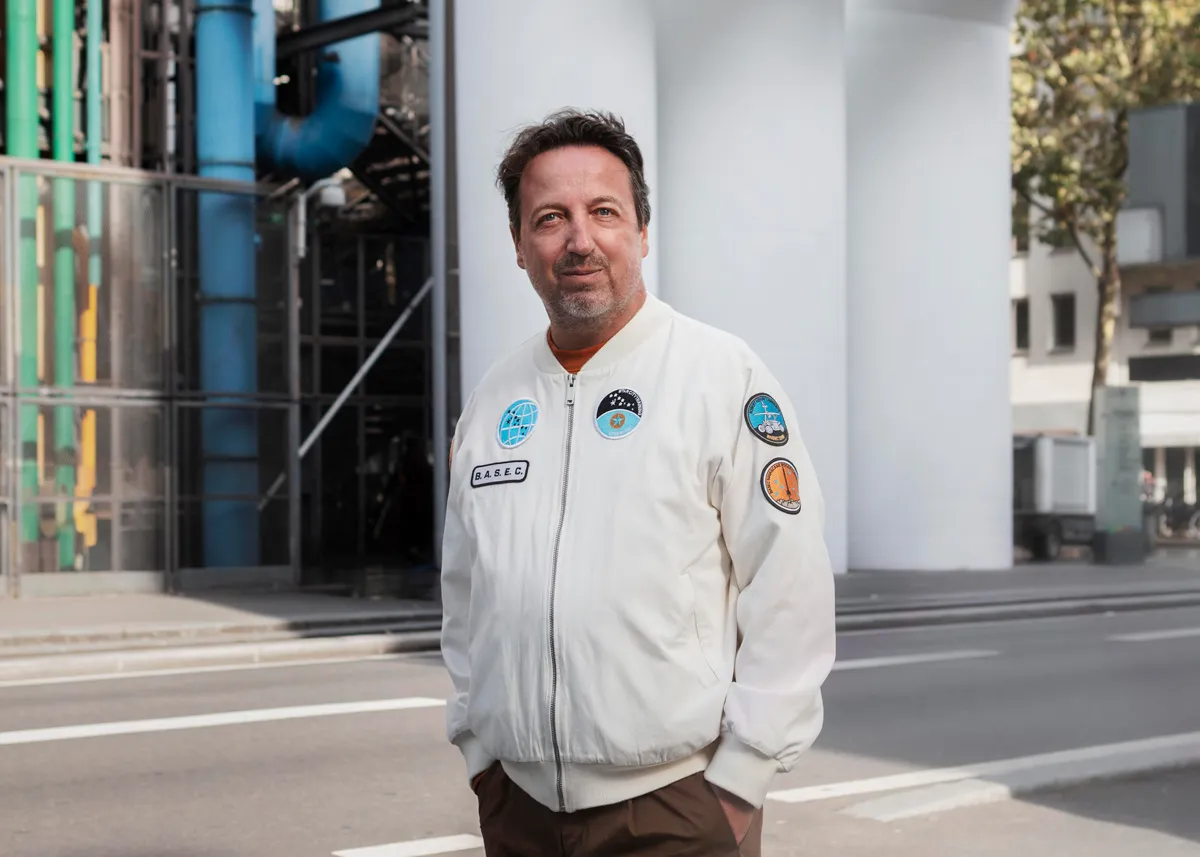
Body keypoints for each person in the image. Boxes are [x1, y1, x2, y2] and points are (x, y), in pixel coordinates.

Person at [440, 108, 836, 856]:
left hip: (675, 809)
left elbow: (790, 584)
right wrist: (478, 747)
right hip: (518, 808)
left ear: (643, 233)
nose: (579, 240)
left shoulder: (721, 376)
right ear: (521, 248)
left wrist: (739, 780)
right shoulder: (495, 399)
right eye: (549, 218)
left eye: (604, 213)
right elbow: (466, 591)